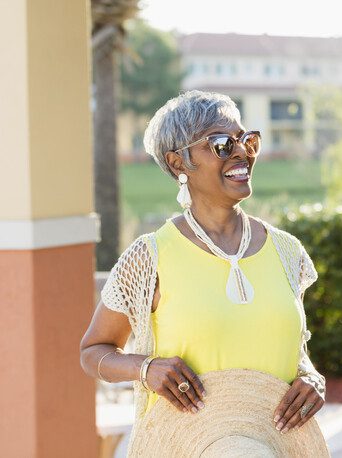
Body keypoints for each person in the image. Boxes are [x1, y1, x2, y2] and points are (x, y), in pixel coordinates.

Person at [80, 90, 325, 447]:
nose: (242, 151)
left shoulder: (288, 252)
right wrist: (145, 369)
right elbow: (93, 352)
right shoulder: (150, 257)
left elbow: (292, 352)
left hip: (272, 448)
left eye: (247, 140)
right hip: (187, 448)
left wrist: (313, 379)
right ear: (179, 163)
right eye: (223, 144)